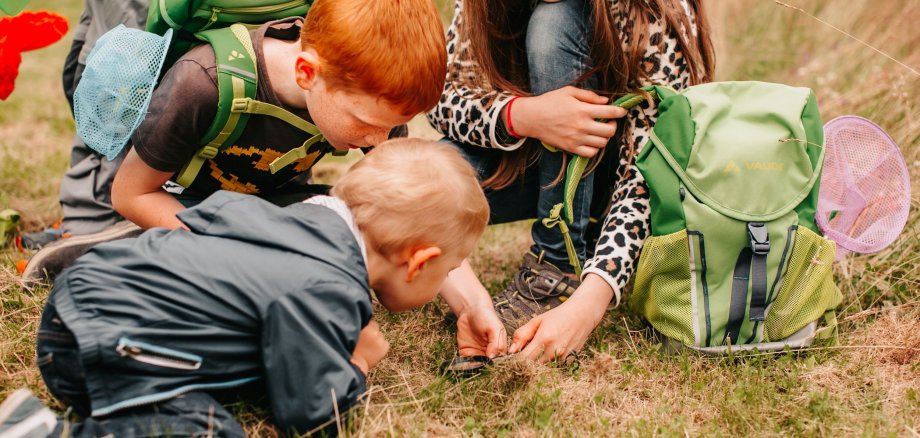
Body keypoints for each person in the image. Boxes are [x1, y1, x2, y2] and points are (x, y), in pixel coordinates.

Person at [0, 139, 490, 437]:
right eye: (447, 269)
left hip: (84, 295)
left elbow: (209, 219)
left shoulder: (286, 217)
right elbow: (310, 415)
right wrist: (357, 362)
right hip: (108, 346)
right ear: (418, 260)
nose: (445, 278)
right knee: (208, 431)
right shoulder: (330, 287)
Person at [21, 0, 446, 282]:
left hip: (262, 207)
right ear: (306, 73)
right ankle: (113, 245)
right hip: (183, 204)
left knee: (344, 217)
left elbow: (404, 207)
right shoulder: (201, 82)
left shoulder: (366, 96)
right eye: (367, 125)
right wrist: (233, 251)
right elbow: (130, 194)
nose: (380, 140)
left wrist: (467, 298)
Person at [428, 0, 715, 361]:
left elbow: (650, 173)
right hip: (530, 152)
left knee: (555, 22)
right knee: (435, 178)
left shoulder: (656, 10)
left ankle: (558, 265)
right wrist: (524, 117)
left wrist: (589, 304)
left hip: (618, 180)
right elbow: (441, 97)